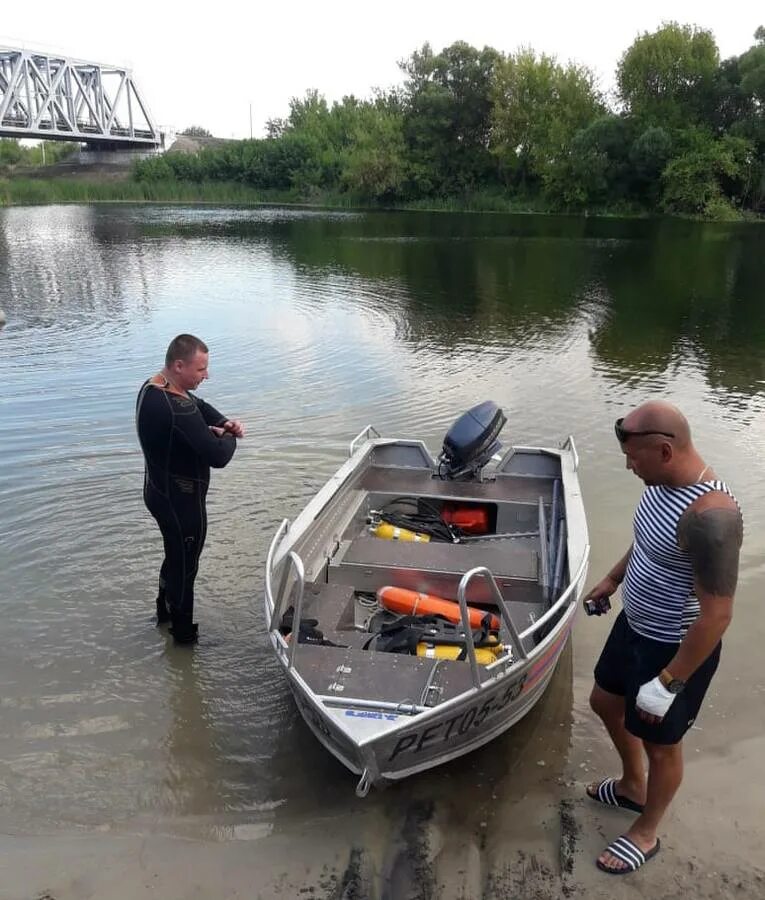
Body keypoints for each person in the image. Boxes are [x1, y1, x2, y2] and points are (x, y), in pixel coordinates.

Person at [583, 400, 743, 875]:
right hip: (634, 622)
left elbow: (717, 615)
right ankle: (633, 786)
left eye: (634, 457)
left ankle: (647, 831)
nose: (627, 465)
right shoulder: (660, 485)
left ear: (664, 450)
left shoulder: (712, 517)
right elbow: (648, 542)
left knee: (662, 746)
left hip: (674, 648)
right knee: (604, 702)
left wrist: (668, 682)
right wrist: (613, 579)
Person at [135, 334, 245, 644]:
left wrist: (223, 421)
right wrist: (230, 435)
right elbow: (218, 456)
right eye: (200, 370)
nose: (206, 375)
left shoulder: (154, 387)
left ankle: (163, 615)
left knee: (174, 557)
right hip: (182, 505)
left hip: (157, 493)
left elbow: (200, 405)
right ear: (179, 365)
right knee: (185, 568)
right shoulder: (177, 409)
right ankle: (183, 640)